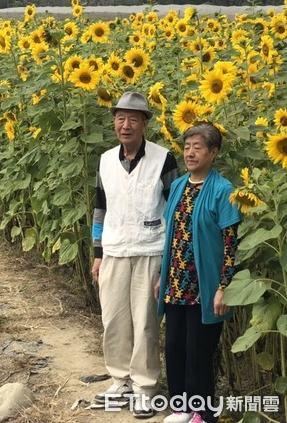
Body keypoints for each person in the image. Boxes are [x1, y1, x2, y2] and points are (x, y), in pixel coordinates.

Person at [90, 92, 179, 418]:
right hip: (113, 250)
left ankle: (145, 388)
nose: (125, 125)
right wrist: (98, 254)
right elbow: (100, 209)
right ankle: (120, 381)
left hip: (150, 250)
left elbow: (174, 211)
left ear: (144, 124)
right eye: (120, 118)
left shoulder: (163, 159)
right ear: (114, 121)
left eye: (133, 119)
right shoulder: (105, 160)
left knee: (144, 324)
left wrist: (170, 262)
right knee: (113, 320)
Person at [156, 123, 240, 423]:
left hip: (204, 286)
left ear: (214, 153)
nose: (190, 153)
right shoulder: (179, 185)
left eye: (198, 147)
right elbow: (172, 236)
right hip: (176, 282)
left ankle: (202, 413)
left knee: (198, 352)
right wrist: (161, 276)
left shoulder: (223, 190)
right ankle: (180, 407)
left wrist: (224, 287)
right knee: (175, 347)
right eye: (187, 146)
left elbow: (231, 244)